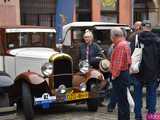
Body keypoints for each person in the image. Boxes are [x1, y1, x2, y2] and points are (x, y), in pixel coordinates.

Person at [130, 20, 160, 120]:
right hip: (152, 72)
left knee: (137, 95)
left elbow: (131, 54)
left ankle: (138, 116)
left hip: (138, 71)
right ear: (151, 28)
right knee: (152, 95)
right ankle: (151, 116)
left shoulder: (135, 38)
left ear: (141, 27)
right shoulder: (157, 40)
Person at [109, 27, 131, 120]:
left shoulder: (120, 45)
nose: (111, 39)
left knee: (122, 101)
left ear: (114, 36)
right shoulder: (125, 43)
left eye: (111, 36)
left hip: (120, 75)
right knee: (123, 100)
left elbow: (118, 63)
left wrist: (114, 75)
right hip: (124, 74)